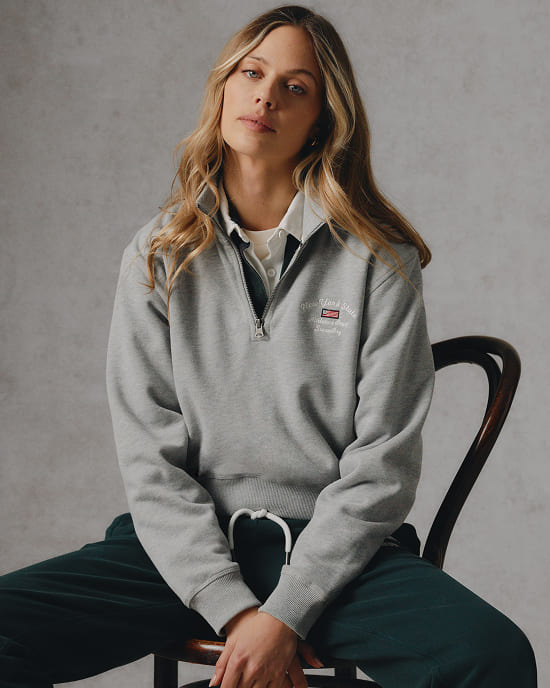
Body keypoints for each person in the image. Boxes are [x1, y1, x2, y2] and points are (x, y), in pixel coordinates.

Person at [0, 5, 537, 688]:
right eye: (252, 73)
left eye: (295, 86)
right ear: (224, 88)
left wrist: (285, 613)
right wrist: (232, 607)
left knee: (493, 656)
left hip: (336, 558)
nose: (266, 97)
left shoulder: (379, 261)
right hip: (184, 552)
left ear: (323, 119)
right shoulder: (157, 256)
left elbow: (383, 466)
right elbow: (151, 464)